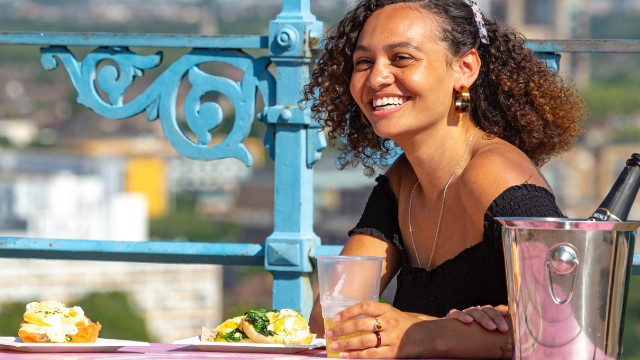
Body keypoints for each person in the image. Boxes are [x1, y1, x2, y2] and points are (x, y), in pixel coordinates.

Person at [301, 0, 587, 358]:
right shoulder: (403, 179)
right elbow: (328, 323)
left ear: (465, 68)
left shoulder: (496, 174)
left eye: (401, 58)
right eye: (363, 62)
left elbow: (570, 329)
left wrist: (422, 334)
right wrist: (439, 328)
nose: (376, 78)